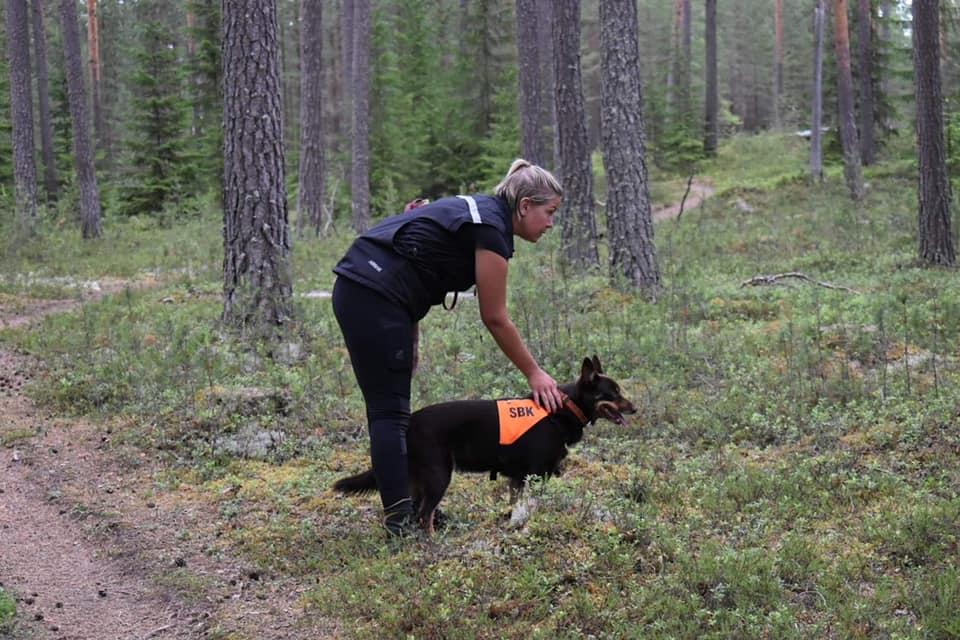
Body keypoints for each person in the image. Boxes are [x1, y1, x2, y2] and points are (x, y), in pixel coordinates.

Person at [331, 159, 564, 536]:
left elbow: (416, 255)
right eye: (549, 212)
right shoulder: (491, 229)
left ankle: (412, 508)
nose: (551, 223)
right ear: (524, 206)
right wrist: (535, 373)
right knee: (389, 413)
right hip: (371, 295)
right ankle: (400, 522)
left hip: (371, 292)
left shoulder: (480, 211)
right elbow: (495, 317)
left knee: (393, 408)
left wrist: (410, 333)